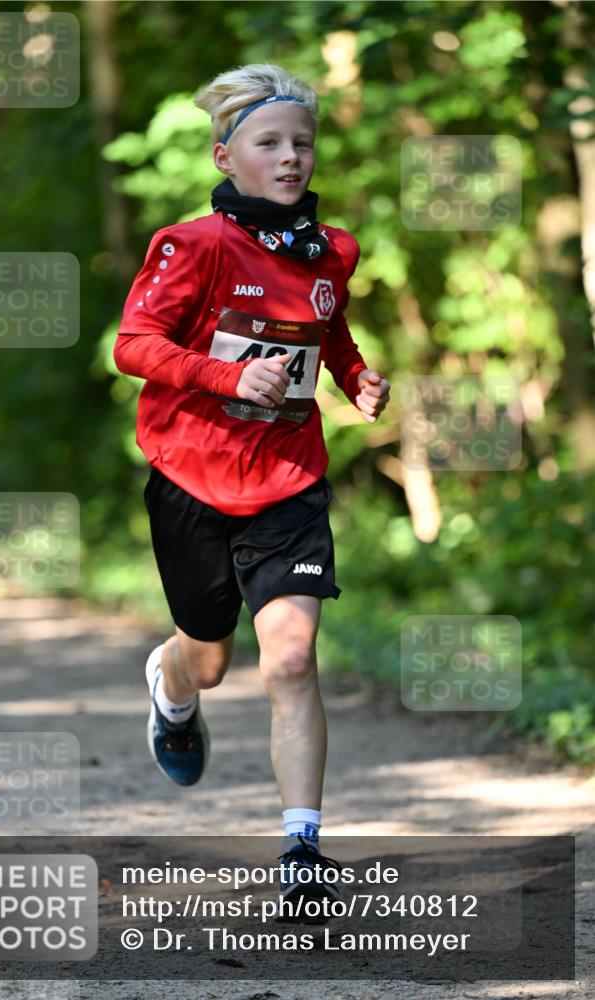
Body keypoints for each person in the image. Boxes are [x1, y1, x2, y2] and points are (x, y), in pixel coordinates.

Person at [113, 63, 390, 921]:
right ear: (225, 156)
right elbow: (134, 344)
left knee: (293, 659)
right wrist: (216, 377)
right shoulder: (190, 246)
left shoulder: (332, 249)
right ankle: (173, 683)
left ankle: (301, 853)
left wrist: (353, 377)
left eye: (302, 142)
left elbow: (325, 319)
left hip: (287, 480)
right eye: (270, 143)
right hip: (192, 474)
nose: (291, 157)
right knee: (211, 657)